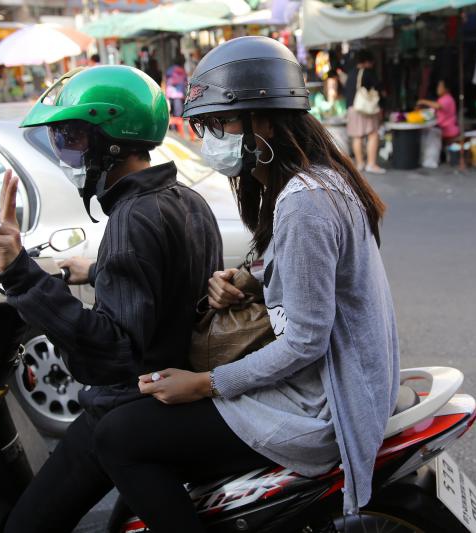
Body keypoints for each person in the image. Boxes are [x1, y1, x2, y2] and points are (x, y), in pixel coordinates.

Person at [89, 36, 400, 532]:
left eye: (222, 123)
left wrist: (205, 385)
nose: (212, 138)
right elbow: (314, 275)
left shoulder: (304, 201)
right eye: (205, 125)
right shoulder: (317, 181)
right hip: (339, 382)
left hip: (318, 403)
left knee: (117, 437)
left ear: (267, 119)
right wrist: (251, 279)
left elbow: (305, 340)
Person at [0, 65, 223, 532]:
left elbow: (111, 351)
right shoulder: (187, 200)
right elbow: (167, 283)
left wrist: (19, 272)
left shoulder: (132, 219)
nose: (66, 152)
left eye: (72, 137)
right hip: (172, 390)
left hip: (128, 402)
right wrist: (99, 269)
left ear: (110, 140)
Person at [343, 49, 385, 174]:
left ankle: (360, 163)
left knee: (357, 136)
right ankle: (371, 164)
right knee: (373, 134)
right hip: (365, 108)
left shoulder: (350, 73)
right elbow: (379, 87)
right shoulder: (367, 73)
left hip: (352, 108)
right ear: (367, 61)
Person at [417, 78, 460, 142]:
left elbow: (438, 106)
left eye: (440, 86)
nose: (438, 88)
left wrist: (423, 101)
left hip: (447, 130)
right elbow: (432, 111)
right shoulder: (442, 99)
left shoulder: (447, 98)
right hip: (443, 129)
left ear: (446, 89)